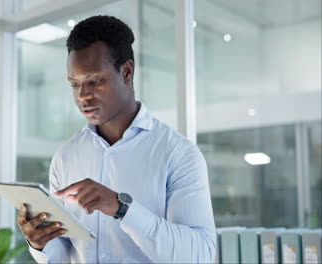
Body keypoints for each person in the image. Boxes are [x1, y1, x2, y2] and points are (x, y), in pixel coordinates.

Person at [17, 15, 216, 263]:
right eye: (75, 84)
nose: (83, 96)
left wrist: (122, 208)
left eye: (95, 81)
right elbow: (67, 254)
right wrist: (40, 243)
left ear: (127, 72)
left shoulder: (178, 153)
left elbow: (200, 255)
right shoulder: (66, 156)